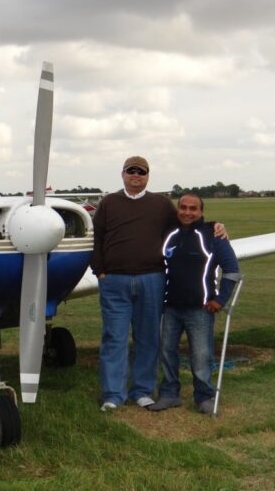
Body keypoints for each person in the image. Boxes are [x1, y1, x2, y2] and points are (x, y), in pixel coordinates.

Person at [90, 156, 226, 411]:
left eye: (141, 172)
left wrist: (215, 226)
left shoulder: (161, 204)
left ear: (147, 176)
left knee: (148, 337)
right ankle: (113, 395)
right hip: (114, 281)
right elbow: (96, 237)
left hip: (152, 279)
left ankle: (142, 390)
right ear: (123, 174)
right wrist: (99, 271)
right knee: (114, 338)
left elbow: (188, 223)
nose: (136, 175)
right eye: (131, 171)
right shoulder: (108, 203)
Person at [149, 193, 240, 414]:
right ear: (177, 209)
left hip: (200, 309)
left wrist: (220, 300)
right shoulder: (169, 233)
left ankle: (204, 397)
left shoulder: (213, 235)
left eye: (193, 209)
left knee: (201, 355)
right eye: (183, 208)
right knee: (167, 351)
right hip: (169, 307)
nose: (188, 212)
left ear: (201, 212)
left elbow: (232, 270)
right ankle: (170, 394)